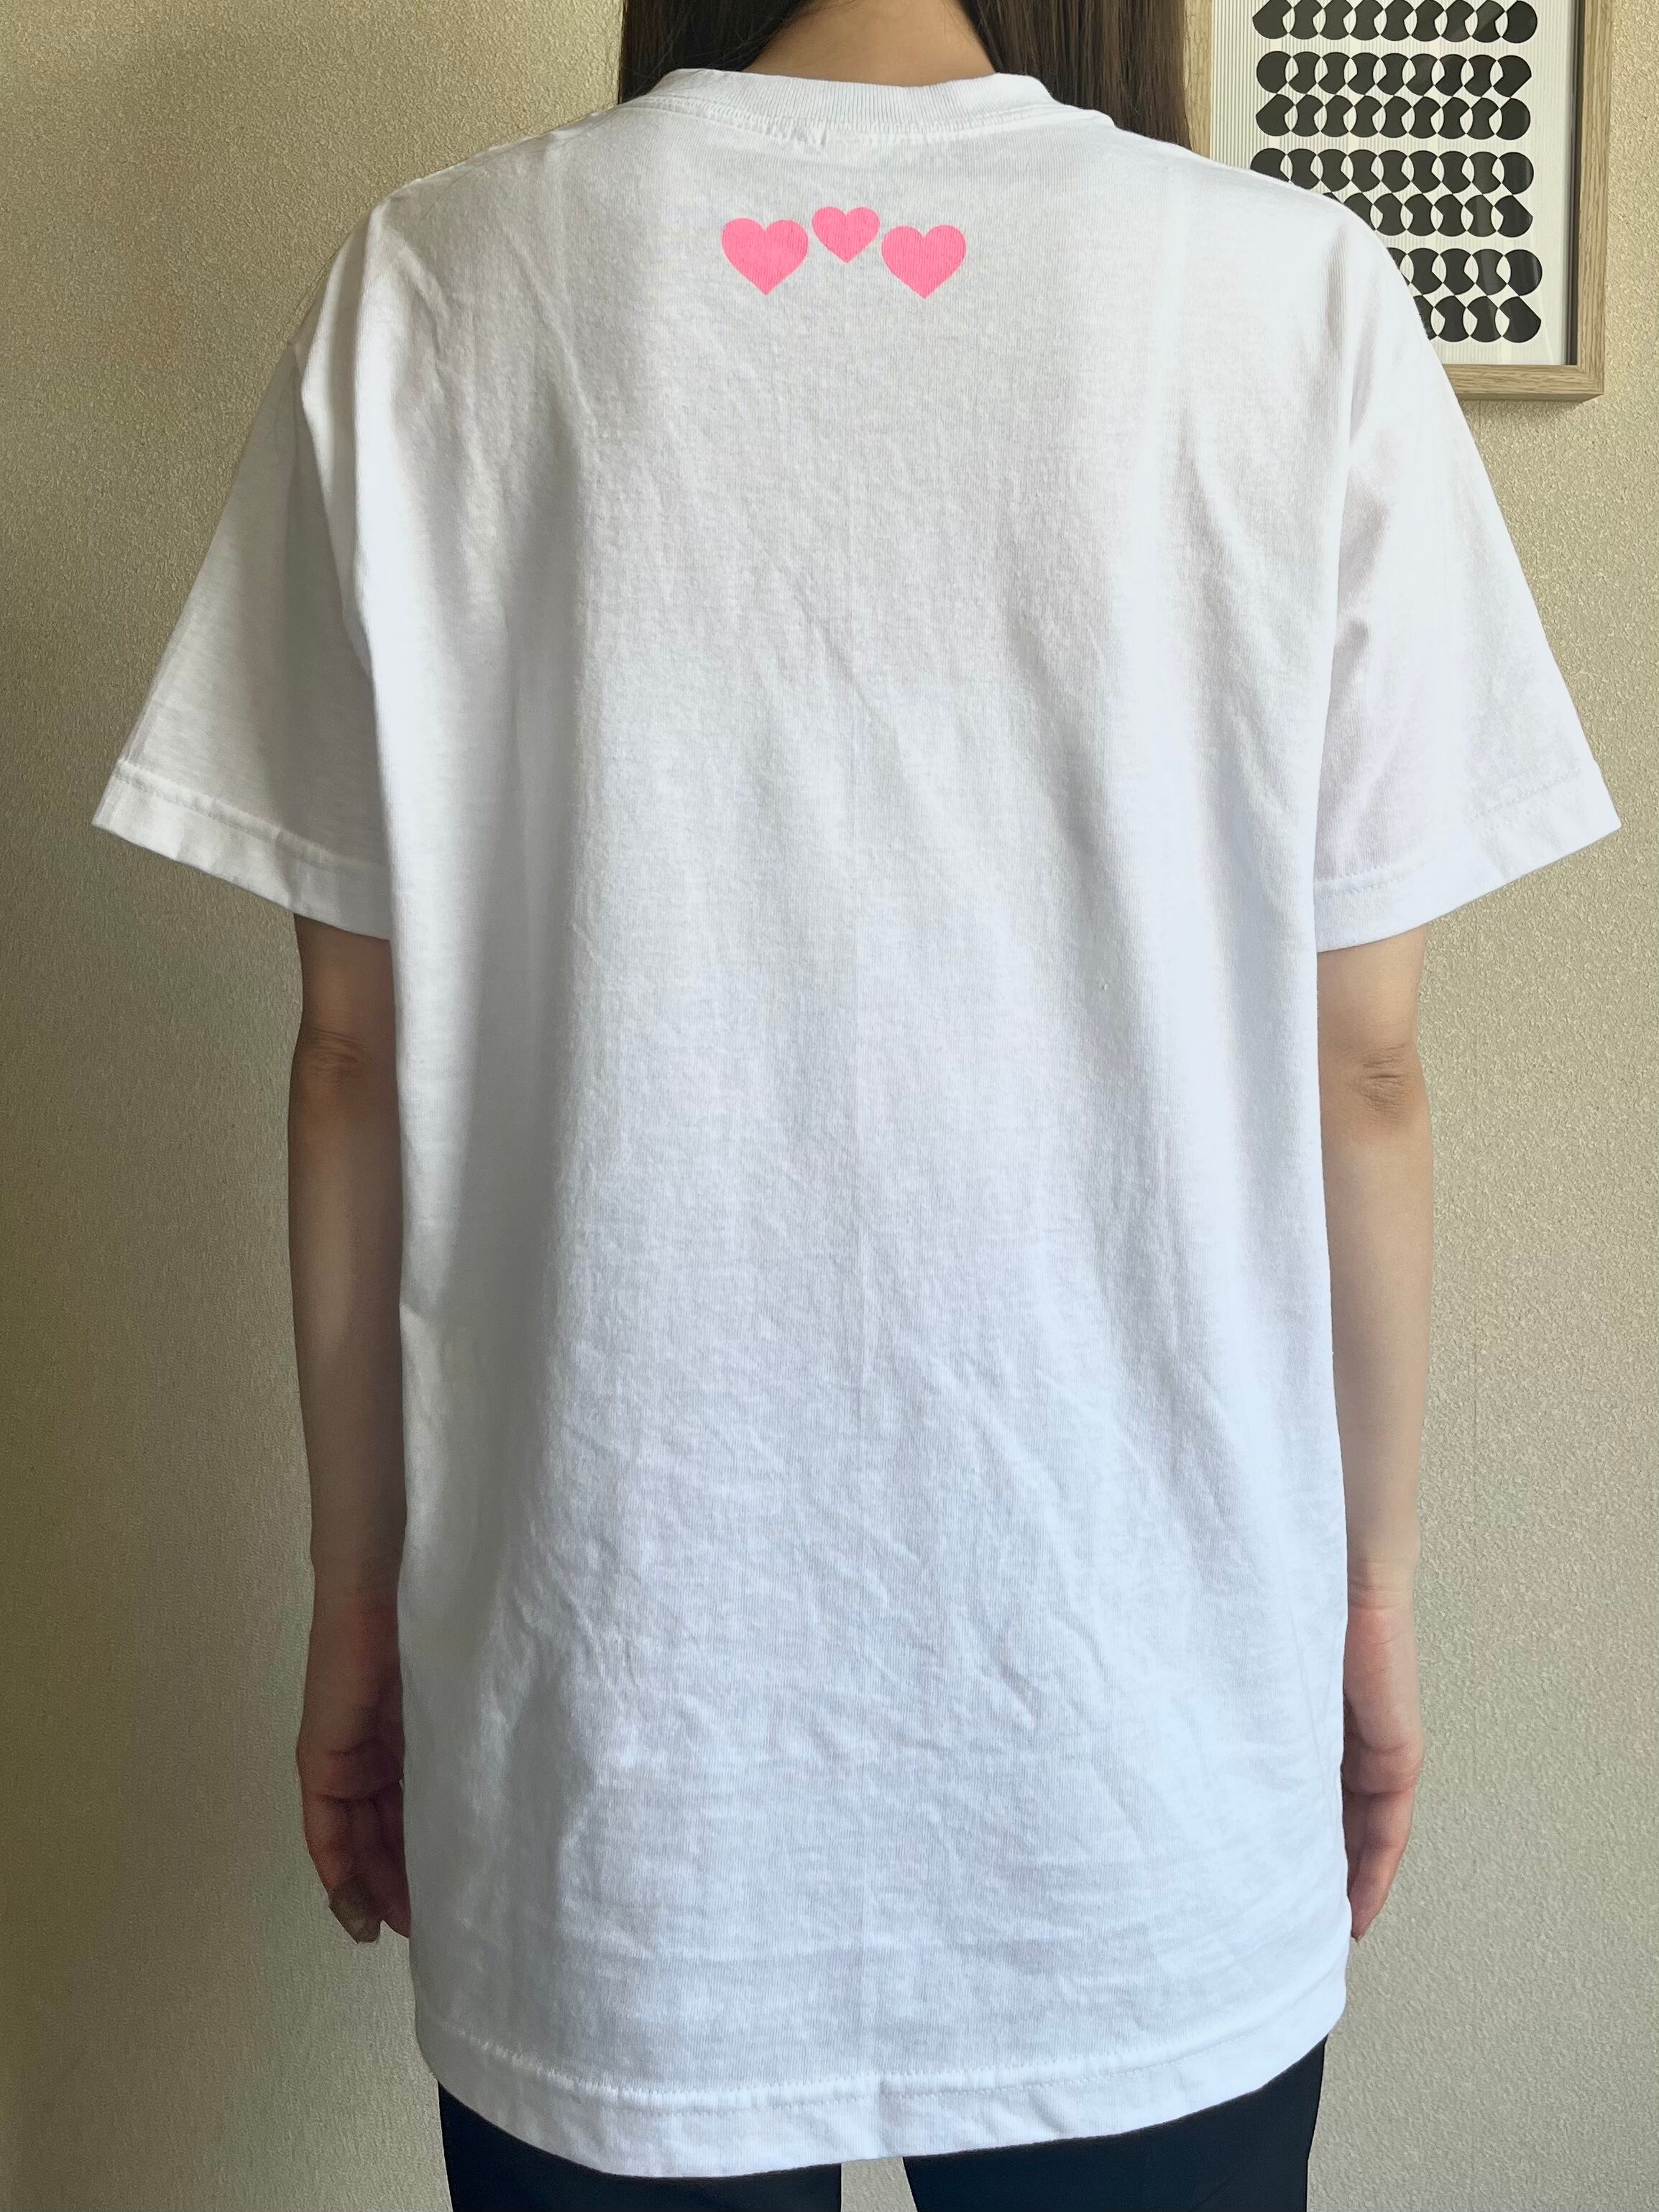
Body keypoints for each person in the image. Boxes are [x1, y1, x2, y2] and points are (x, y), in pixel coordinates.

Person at [89, 0, 1622, 2203]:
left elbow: (352, 1062)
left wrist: (357, 1602)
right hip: (1138, 1723)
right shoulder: (1290, 294)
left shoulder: (430, 286)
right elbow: (1362, 1067)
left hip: (614, 1728)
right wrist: (1367, 1605)